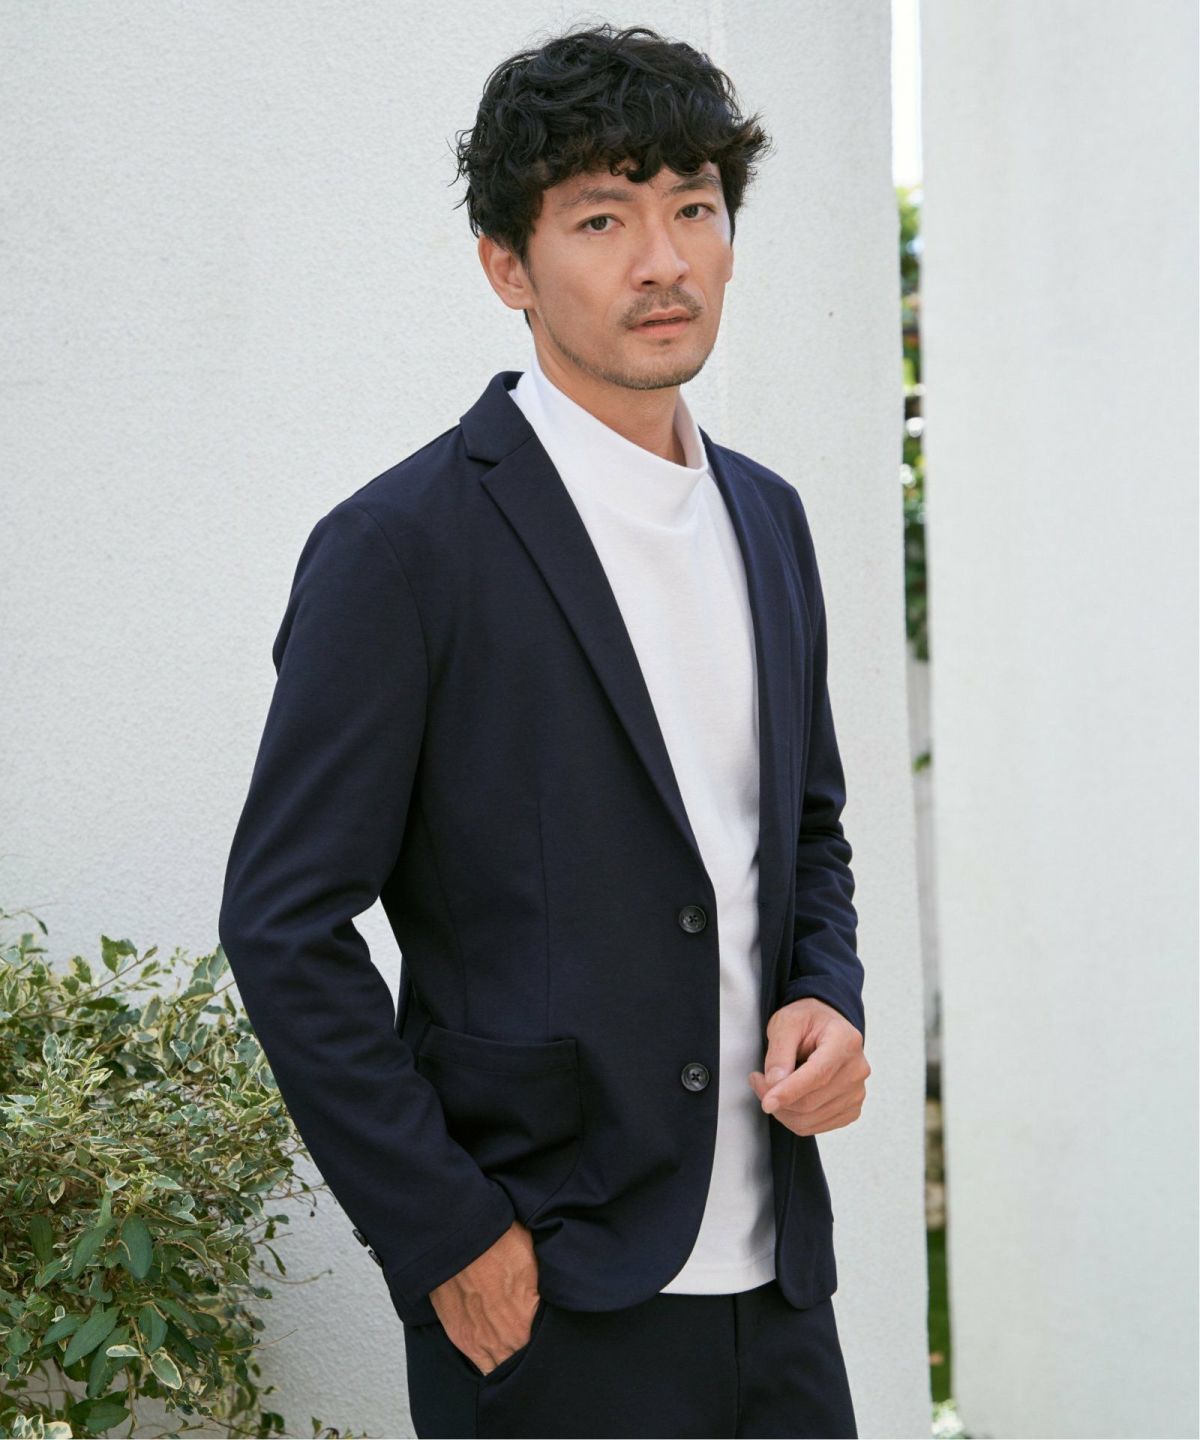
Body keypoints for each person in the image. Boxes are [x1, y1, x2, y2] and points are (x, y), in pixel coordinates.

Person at [218, 21, 870, 1439]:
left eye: (694, 207)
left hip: (781, 1295)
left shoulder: (770, 521)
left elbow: (803, 832)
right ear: (506, 266)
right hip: (547, 1298)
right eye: (602, 218)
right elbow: (282, 920)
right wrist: (445, 1233)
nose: (664, 260)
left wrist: (831, 994)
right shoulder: (401, 548)